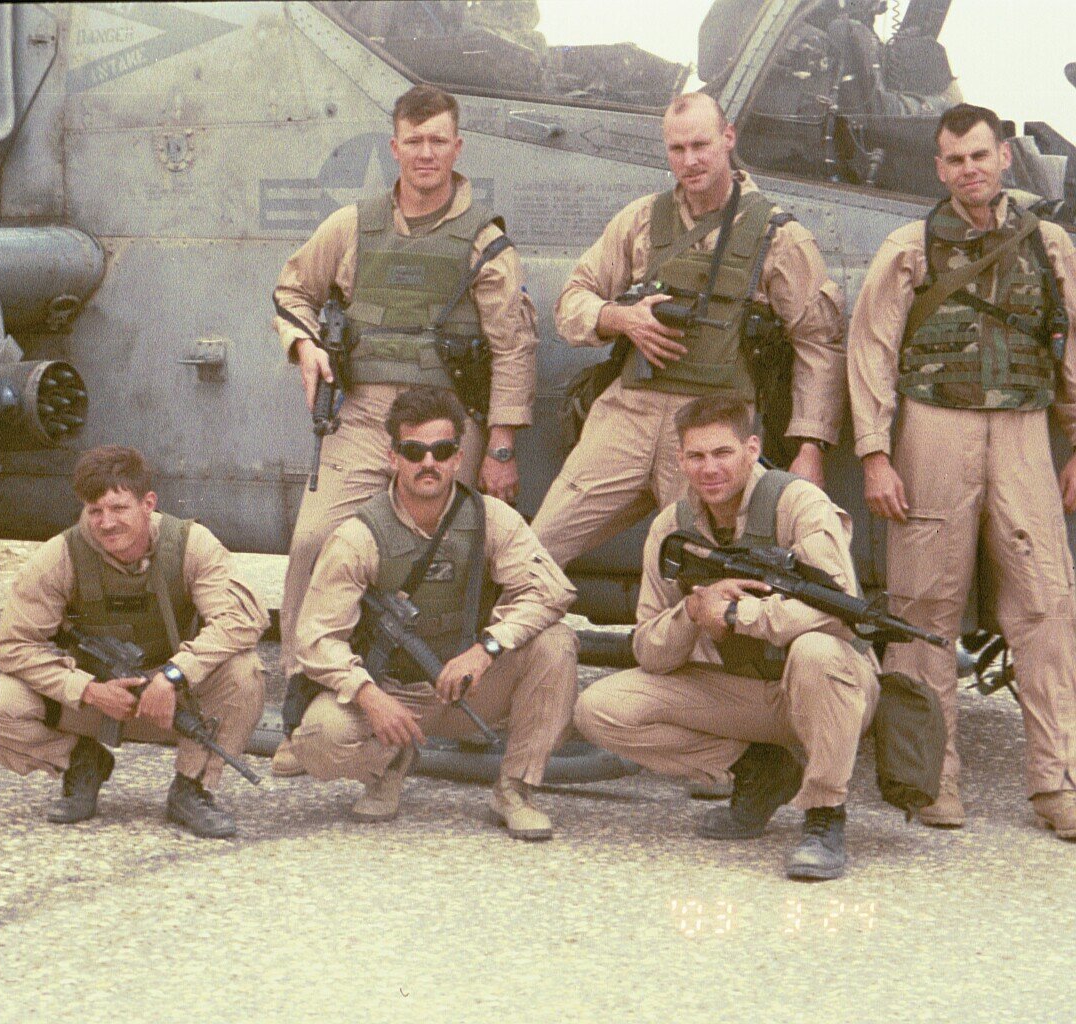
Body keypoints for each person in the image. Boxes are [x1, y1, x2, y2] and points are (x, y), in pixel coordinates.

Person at [271, 83, 539, 772]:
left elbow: (512, 346)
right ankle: (307, 702)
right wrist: (304, 347)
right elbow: (292, 291)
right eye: (413, 141)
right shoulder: (351, 225)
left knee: (447, 549)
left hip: (448, 423)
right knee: (312, 537)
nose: (425, 153)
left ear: (458, 146)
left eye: (438, 140)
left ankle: (441, 692)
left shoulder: (484, 241)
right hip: (366, 415)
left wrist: (500, 448)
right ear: (395, 148)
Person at [847, 103, 1076, 840]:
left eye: (979, 155)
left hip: (1021, 432)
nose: (968, 170)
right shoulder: (909, 246)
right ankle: (928, 778)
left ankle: (1057, 781)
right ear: (938, 168)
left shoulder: (1050, 245)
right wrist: (875, 454)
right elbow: (872, 350)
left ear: (1004, 156)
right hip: (933, 432)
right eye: (953, 160)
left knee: (1046, 605)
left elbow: (1070, 345)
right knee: (922, 609)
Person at [531, 92, 847, 579]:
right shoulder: (641, 219)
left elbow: (818, 344)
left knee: (703, 578)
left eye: (701, 145)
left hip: (713, 427)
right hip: (628, 413)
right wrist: (622, 318)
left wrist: (810, 446)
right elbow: (572, 300)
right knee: (535, 553)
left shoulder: (777, 236)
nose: (690, 160)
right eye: (677, 149)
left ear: (728, 139)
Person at [574, 396, 880, 880]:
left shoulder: (798, 502)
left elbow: (838, 612)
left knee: (817, 650)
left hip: (832, 688)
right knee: (601, 707)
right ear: (680, 459)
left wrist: (741, 614)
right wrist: (694, 611)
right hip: (746, 691)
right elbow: (648, 650)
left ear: (752, 449)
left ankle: (824, 815)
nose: (709, 468)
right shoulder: (672, 527)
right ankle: (761, 768)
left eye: (723, 453)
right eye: (696, 456)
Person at [290, 387, 577, 839]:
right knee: (319, 740)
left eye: (441, 451)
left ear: (458, 458)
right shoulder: (359, 535)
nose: (429, 463)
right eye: (414, 451)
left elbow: (552, 592)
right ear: (393, 457)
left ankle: (515, 788)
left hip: (467, 686)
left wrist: (487, 649)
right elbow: (314, 638)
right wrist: (368, 694)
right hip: (394, 694)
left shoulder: (488, 518)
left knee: (556, 642)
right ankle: (389, 765)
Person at [0, 446, 267, 839]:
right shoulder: (61, 555)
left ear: (147, 503)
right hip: (97, 697)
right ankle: (82, 762)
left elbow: (241, 619)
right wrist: (86, 690)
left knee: (244, 673)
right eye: (94, 510)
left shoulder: (190, 544)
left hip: (172, 698)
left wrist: (173, 675)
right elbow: (14, 645)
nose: (106, 523)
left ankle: (193, 787)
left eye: (119, 508)